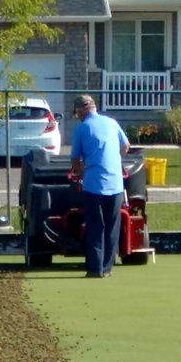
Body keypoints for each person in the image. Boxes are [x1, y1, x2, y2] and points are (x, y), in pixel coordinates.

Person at [69, 94, 130, 277]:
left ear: (81, 111)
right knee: (112, 227)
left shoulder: (82, 128)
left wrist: (79, 170)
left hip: (94, 184)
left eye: (77, 113)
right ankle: (107, 267)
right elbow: (126, 145)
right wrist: (115, 160)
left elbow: (74, 159)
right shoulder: (112, 122)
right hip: (116, 184)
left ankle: (95, 269)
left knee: (96, 226)